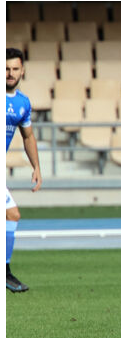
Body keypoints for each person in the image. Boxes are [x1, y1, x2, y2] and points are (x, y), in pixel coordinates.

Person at [6, 48, 42, 293]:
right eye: (6, 68)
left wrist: (37, 166)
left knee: (12, 215)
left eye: (15, 69)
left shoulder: (22, 103)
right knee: (12, 214)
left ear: (22, 70)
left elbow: (28, 136)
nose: (10, 73)